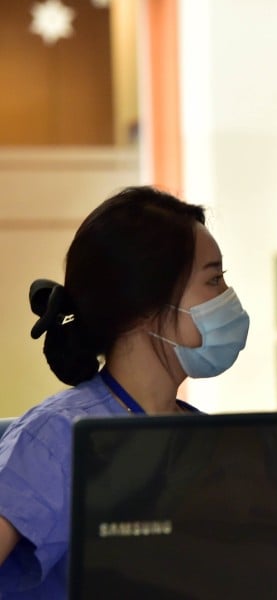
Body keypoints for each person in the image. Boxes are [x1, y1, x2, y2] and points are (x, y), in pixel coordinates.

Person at [0, 186, 249, 598]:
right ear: (147, 302)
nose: (227, 298)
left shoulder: (212, 442)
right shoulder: (56, 438)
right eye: (214, 278)